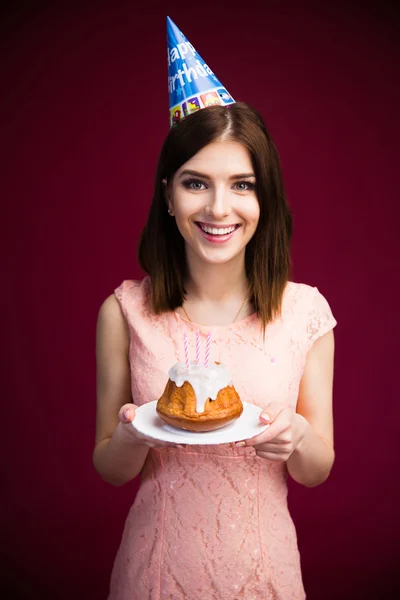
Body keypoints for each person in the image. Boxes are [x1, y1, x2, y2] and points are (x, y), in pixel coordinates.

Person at [93, 100, 336, 600]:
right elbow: (110, 468)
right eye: (195, 182)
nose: (218, 208)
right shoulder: (124, 312)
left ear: (264, 197)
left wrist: (299, 437)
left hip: (265, 578)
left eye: (242, 184)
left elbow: (316, 470)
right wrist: (131, 433)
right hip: (154, 576)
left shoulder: (304, 312)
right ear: (168, 194)